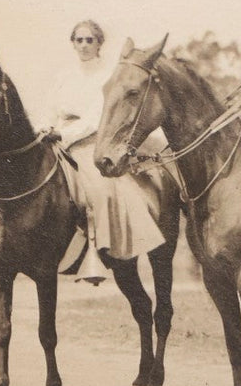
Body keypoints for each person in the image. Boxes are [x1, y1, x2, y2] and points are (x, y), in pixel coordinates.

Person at [41, 20, 167, 280]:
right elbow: (50, 108)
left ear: (99, 43)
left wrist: (65, 134)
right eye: (79, 40)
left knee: (100, 189)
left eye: (90, 40)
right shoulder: (63, 75)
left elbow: (97, 116)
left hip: (89, 140)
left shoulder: (107, 75)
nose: (84, 45)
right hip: (56, 138)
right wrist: (46, 129)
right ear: (73, 43)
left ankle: (97, 252)